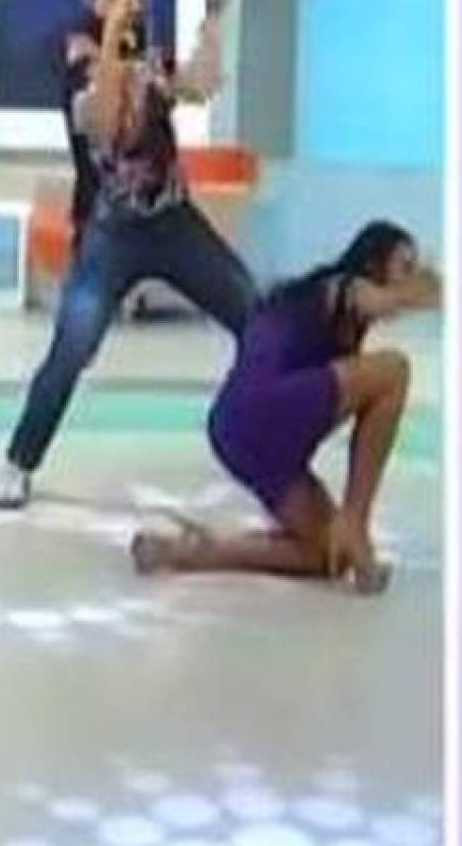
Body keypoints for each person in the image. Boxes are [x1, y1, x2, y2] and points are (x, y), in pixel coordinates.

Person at [0, 0, 257, 509]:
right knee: (72, 348)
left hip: (173, 216)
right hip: (109, 227)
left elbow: (195, 86)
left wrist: (214, 19)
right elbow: (107, 126)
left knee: (255, 316)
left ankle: (255, 438)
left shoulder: (148, 30)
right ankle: (19, 462)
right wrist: (113, 35)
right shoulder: (71, 37)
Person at [131, 222, 440, 594]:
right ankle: (356, 521)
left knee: (327, 555)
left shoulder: (309, 301)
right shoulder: (342, 287)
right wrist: (430, 289)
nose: (411, 275)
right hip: (265, 410)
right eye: (404, 267)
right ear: (373, 266)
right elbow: (378, 301)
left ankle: (186, 553)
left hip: (235, 432)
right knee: (393, 372)